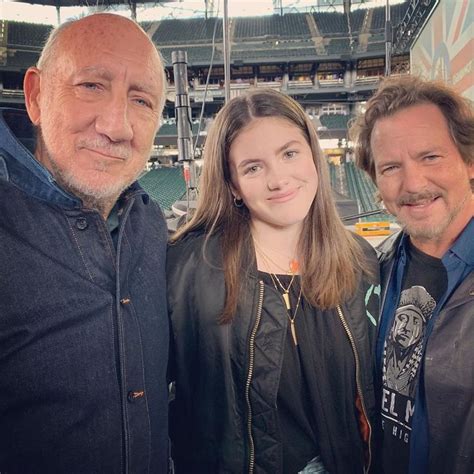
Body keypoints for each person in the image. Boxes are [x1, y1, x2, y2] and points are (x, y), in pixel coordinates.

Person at [167, 89, 380, 473]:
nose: (279, 179)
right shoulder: (188, 269)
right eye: (253, 167)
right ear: (232, 184)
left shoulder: (359, 260)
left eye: (289, 153)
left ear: (313, 157)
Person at [0, 14, 170, 473]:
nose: (117, 126)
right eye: (91, 86)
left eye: (141, 100)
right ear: (35, 96)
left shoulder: (150, 223)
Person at [350, 75, 473, 474]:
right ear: (376, 183)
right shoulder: (371, 272)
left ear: (469, 161)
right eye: (390, 167)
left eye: (430, 157)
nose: (413, 184)